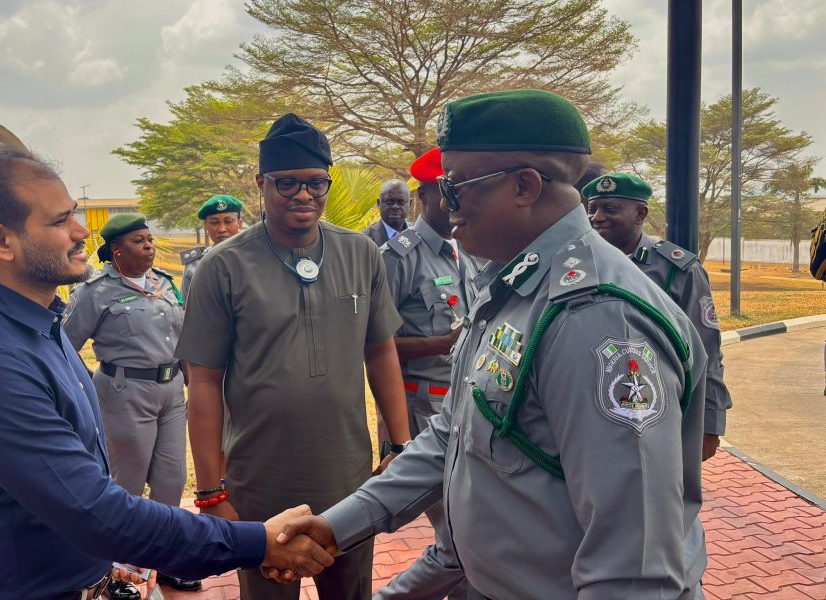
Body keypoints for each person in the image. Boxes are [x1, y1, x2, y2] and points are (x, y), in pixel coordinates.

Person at [271, 90, 710, 600]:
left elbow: (632, 573)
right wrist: (338, 525)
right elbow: (451, 437)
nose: (443, 205)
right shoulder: (513, 283)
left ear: (524, 186)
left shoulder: (598, 318)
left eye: (455, 187)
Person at [0, 145, 334, 600]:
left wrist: (105, 569)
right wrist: (258, 543)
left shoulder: (34, 322)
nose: (80, 232)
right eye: (60, 221)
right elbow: (97, 513)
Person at [175, 113, 411, 600]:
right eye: (287, 183)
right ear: (261, 183)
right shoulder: (223, 266)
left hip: (347, 477)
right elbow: (204, 382)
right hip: (260, 481)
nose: (303, 195)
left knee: (350, 592)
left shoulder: (360, 254)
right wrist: (211, 492)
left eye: (315, 183)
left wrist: (399, 447)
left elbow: (381, 351)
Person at [63, 213, 199, 597]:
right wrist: (88, 388)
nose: (149, 246)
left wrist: (192, 384)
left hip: (171, 391)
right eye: (139, 241)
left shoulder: (164, 283)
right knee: (127, 484)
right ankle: (120, 570)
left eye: (150, 239)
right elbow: (64, 347)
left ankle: (167, 562)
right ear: (117, 250)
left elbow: (183, 339)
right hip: (124, 392)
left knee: (171, 480)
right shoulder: (94, 291)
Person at [374, 147, 480, 600]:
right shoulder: (398, 257)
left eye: (462, 193)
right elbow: (374, 345)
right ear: (424, 197)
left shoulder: (465, 250)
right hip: (421, 406)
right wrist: (439, 344)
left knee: (469, 527)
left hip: (464, 403)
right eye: (447, 194)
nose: (458, 204)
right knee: (457, 532)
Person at [585, 171, 731, 460]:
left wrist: (709, 424)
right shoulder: (578, 264)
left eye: (610, 209)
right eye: (593, 209)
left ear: (640, 214)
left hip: (657, 408)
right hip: (589, 406)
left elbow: (707, 351)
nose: (598, 217)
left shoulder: (678, 270)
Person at [181, 194, 244, 299]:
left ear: (239, 224)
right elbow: (185, 305)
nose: (222, 229)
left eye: (228, 222)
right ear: (206, 226)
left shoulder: (255, 257)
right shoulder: (194, 265)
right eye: (214, 223)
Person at [362, 179, 412, 246]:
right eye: (389, 202)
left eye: (400, 202)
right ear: (379, 203)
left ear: (410, 204)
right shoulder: (364, 240)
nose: (395, 207)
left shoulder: (418, 235)